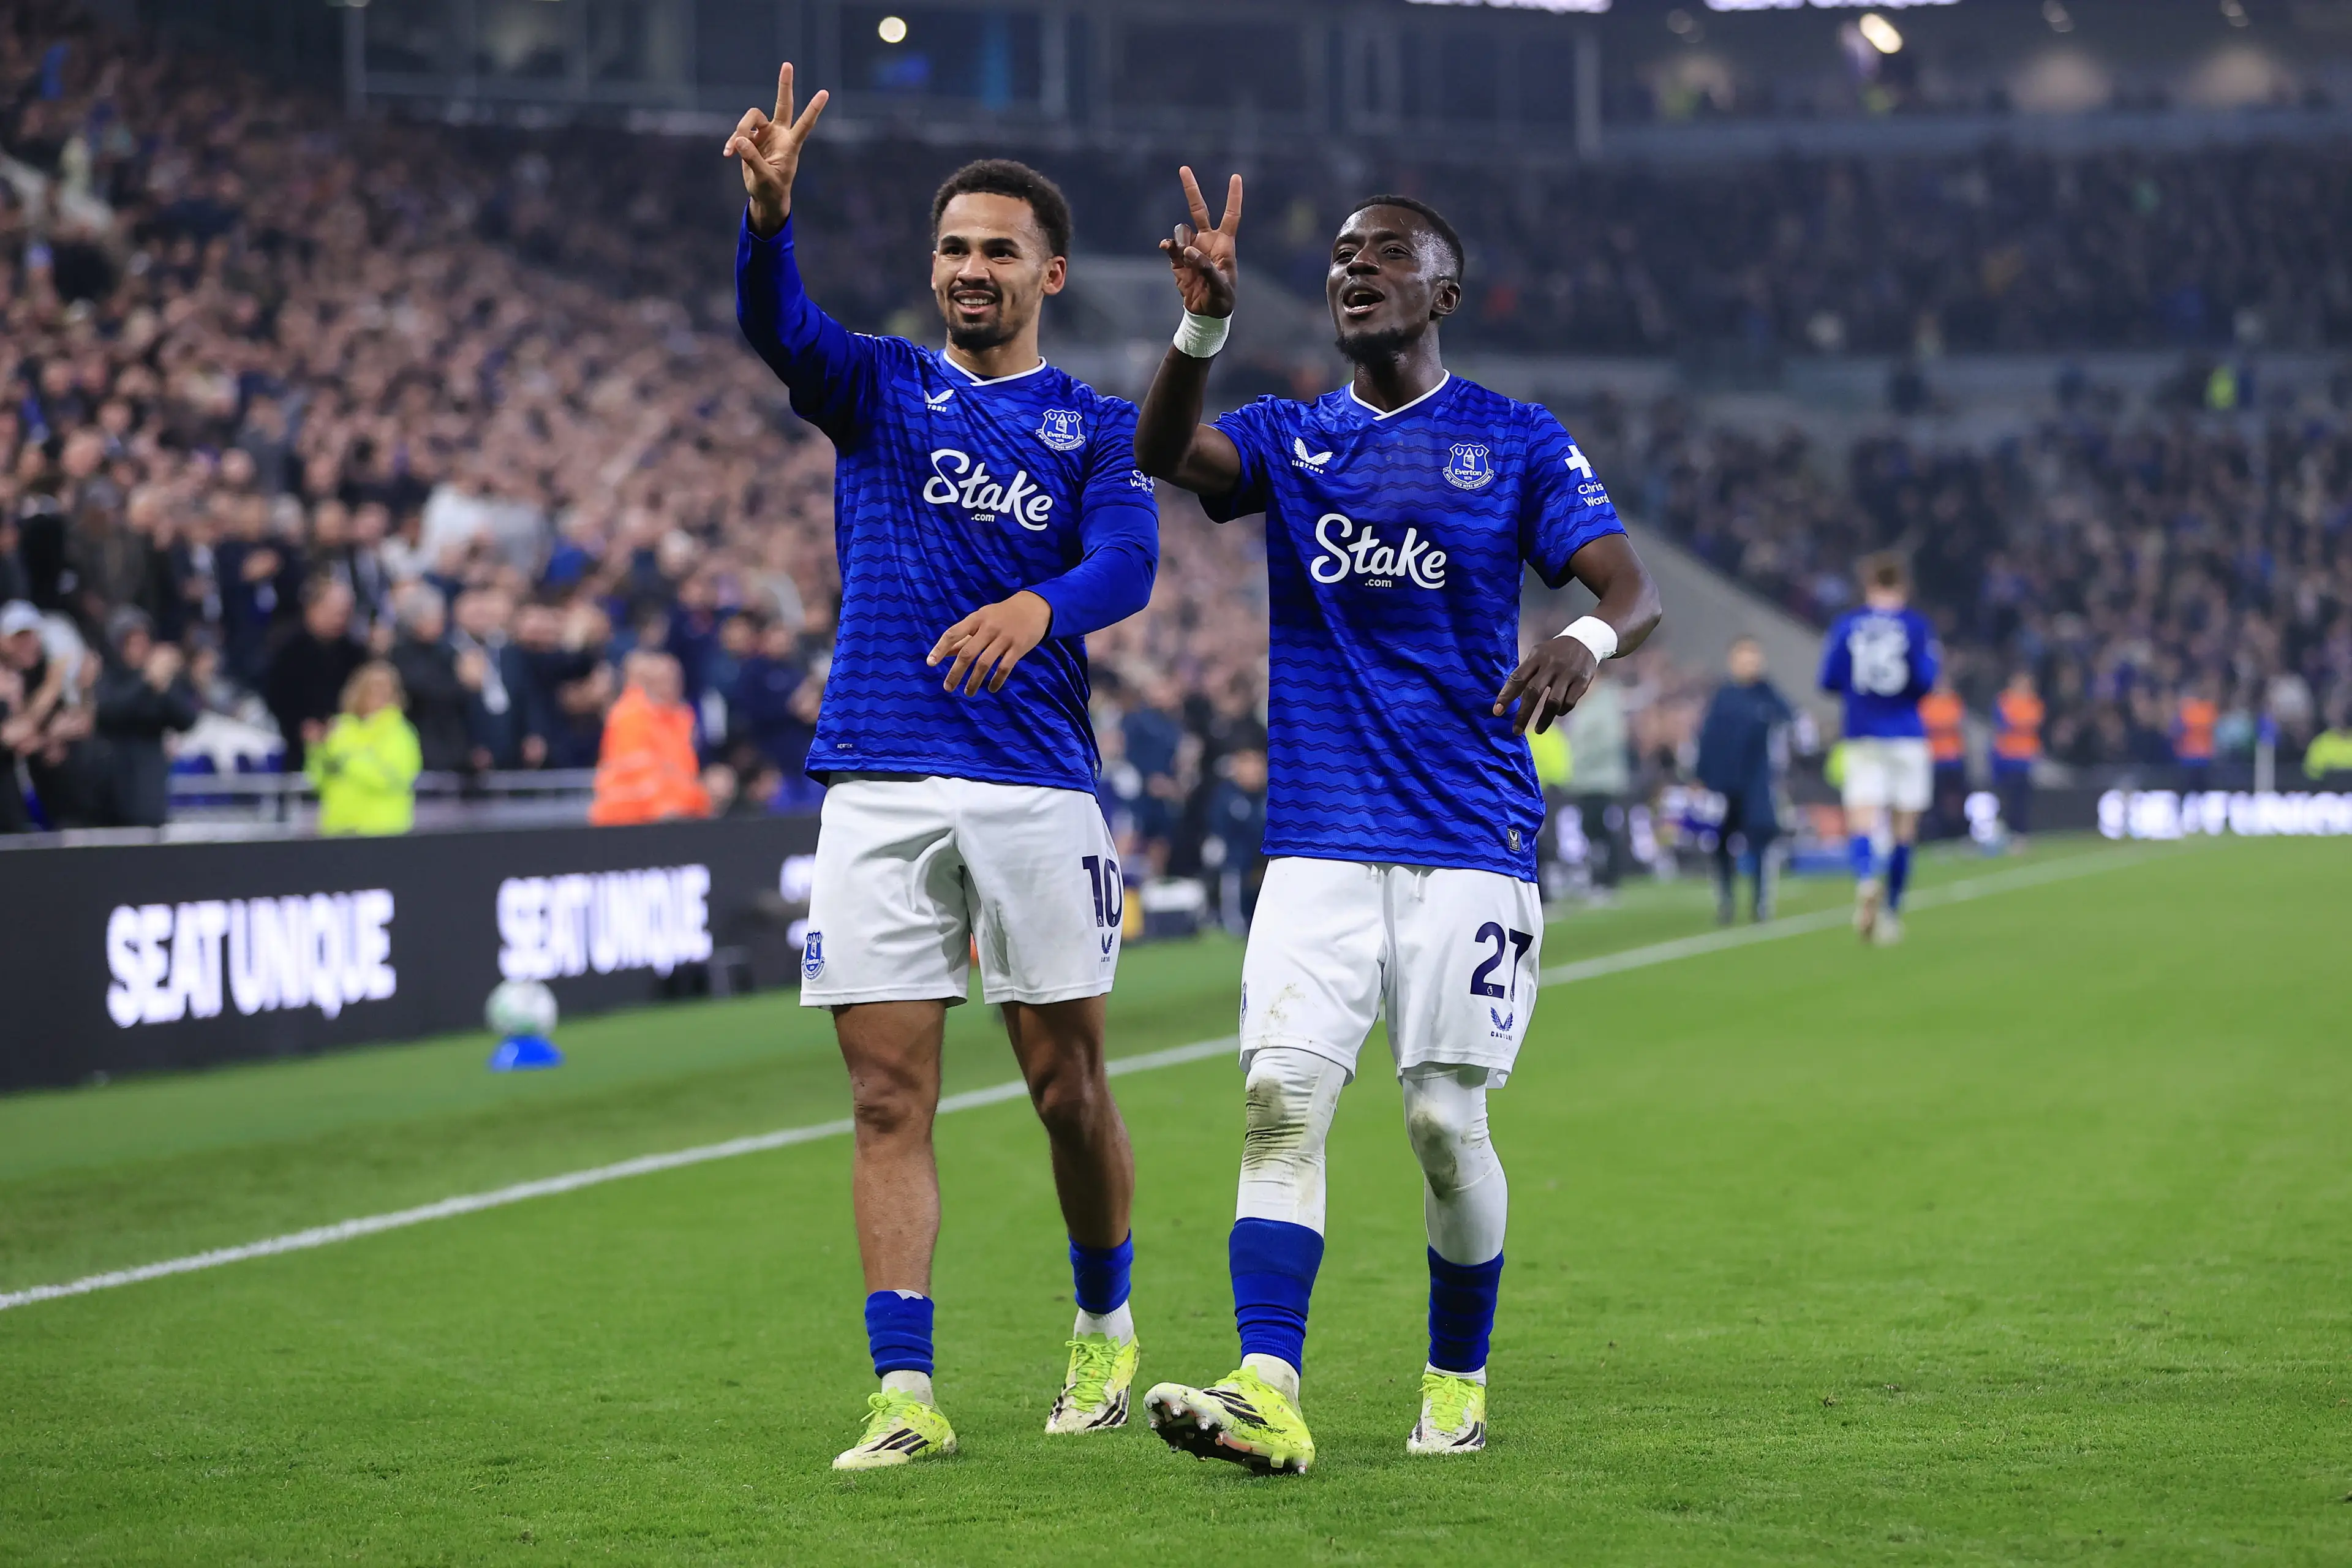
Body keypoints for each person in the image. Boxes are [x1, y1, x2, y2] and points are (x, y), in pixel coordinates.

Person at [1131, 173, 1659, 1470]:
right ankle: (1267, 1382)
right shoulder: (1294, 436)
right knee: (1278, 1100)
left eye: (1387, 253)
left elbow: (1631, 586)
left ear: (1444, 291)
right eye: (1341, 254)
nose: (1353, 268)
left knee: (1439, 1121)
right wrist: (1198, 328)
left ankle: (1457, 1372)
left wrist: (1583, 639)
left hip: (1471, 832)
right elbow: (1162, 454)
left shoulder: (1517, 438)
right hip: (1317, 832)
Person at [729, 66, 1162, 1468]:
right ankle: (903, 1387)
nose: (970, 270)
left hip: (1036, 784)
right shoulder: (877, 383)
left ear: (1047, 270)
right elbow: (775, 328)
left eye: (995, 251)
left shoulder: (1094, 424)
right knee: (881, 1095)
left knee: (1065, 1086)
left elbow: (1131, 561)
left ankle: (1104, 1321)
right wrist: (768, 221)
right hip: (874, 775)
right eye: (952, 250)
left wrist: (1048, 604)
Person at [1820, 554, 1940, 946]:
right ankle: (1891, 911)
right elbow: (1925, 680)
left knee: (1863, 819)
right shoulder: (1915, 626)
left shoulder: (1847, 625)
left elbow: (1829, 680)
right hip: (1906, 734)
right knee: (1905, 829)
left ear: (1869, 585)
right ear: (1902, 587)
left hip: (1862, 733)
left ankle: (1867, 878)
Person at [1695, 636, 1794, 925]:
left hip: (1758, 783)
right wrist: (1702, 777)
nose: (1749, 663)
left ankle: (1761, 902)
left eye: (1753, 657)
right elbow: (1708, 738)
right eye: (1743, 657)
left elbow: (1790, 722)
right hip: (1724, 784)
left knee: (1761, 840)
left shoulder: (1769, 694)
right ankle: (1726, 901)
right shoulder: (1724, 696)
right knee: (1722, 842)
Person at [91, 608, 200, 828]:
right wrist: (145, 681)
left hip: (149, 781)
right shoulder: (110, 678)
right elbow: (108, 712)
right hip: (113, 777)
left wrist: (165, 688)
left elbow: (188, 720)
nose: (139, 649)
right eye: (132, 642)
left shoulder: (160, 682)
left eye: (143, 641)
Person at [588, 652, 711, 825]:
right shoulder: (631, 716)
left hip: (674, 817)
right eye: (664, 680)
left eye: (675, 679)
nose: (671, 686)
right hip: (627, 820)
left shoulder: (681, 718)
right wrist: (666, 809)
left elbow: (683, 772)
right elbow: (640, 774)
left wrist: (699, 804)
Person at [307, 662, 422, 836]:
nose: (378, 696)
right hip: (337, 829)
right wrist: (316, 749)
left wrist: (347, 757)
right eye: (371, 689)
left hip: (382, 830)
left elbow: (391, 779)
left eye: (385, 690)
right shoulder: (342, 729)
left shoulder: (400, 733)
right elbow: (319, 780)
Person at [262, 578, 364, 772]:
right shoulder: (285, 647)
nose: (340, 620)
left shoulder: (354, 652)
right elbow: (276, 695)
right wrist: (300, 725)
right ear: (313, 608)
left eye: (345, 614)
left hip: (346, 746)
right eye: (336, 613)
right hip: (295, 747)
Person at [1561, 663, 1632, 900]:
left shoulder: (1607, 703)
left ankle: (1608, 880)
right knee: (1591, 831)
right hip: (1584, 781)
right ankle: (1597, 878)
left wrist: (1579, 758)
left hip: (1603, 781)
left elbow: (1610, 740)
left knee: (1603, 831)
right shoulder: (1585, 704)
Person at [1992, 669, 2043, 845]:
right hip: (2007, 757)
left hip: (2025, 759)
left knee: (2022, 799)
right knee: (2008, 798)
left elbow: (2032, 722)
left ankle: (2020, 833)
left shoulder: (2033, 702)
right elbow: (2008, 723)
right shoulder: (2005, 701)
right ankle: (2008, 832)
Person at [1919, 673, 1967, 840]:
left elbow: (1957, 723)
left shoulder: (1955, 701)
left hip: (1954, 758)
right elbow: (1929, 724)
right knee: (1935, 801)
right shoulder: (1927, 702)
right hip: (1935, 758)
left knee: (1958, 799)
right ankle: (1936, 835)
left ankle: (1960, 833)